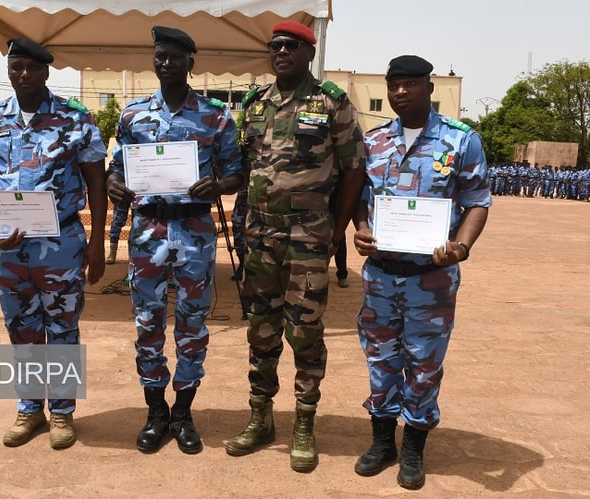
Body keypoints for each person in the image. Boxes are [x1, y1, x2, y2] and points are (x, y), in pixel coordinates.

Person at [224, 21, 365, 472]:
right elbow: (245, 168)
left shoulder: (332, 102)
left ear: (309, 51)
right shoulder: (254, 103)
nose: (280, 52)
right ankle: (260, 416)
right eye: (275, 47)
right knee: (260, 328)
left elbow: (353, 172)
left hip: (308, 236)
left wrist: (335, 231)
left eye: (290, 46)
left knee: (305, 330)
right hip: (261, 235)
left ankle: (304, 422)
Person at [351, 55, 491, 490]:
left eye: (410, 84)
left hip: (431, 278)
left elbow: (477, 201)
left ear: (431, 88)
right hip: (381, 275)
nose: (399, 93)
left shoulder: (461, 140)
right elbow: (358, 198)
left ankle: (413, 445)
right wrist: (361, 228)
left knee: (424, 364)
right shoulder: (372, 142)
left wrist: (461, 246)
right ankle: (382, 441)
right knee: (380, 360)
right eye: (393, 85)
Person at [0, 38, 108, 450]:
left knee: (62, 327)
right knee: (21, 329)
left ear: (46, 71)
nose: (22, 74)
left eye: (31, 67)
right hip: (8, 249)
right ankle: (29, 410)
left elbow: (97, 182)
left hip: (61, 243)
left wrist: (97, 243)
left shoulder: (75, 119)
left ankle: (61, 413)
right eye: (15, 67)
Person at [106, 26, 243, 455]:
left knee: (192, 324)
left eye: (174, 57)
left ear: (190, 63)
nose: (165, 62)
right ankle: (155, 411)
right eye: (159, 56)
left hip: (195, 231)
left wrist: (218, 185)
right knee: (147, 323)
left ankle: (183, 412)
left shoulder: (216, 116)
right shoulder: (132, 116)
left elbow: (239, 172)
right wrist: (114, 184)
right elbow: (117, 167)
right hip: (148, 230)